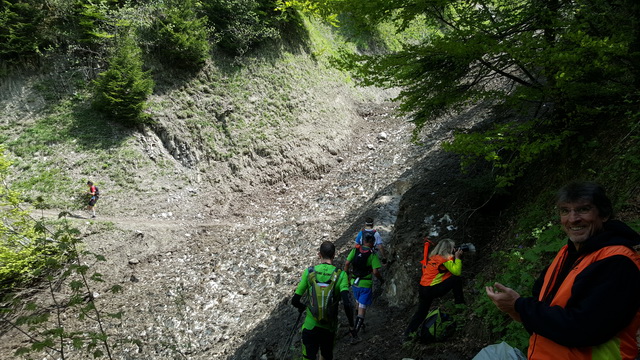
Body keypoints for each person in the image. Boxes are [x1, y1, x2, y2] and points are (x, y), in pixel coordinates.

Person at [486, 181, 640, 359]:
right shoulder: (567, 254)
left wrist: (520, 306)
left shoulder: (618, 262)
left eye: (583, 209)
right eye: (565, 211)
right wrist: (517, 310)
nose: (573, 219)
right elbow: (544, 311)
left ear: (603, 215)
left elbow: (584, 329)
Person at [291, 241, 356, 360]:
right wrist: (351, 325)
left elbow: (294, 301)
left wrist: (304, 307)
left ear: (319, 254)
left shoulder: (309, 272)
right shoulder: (341, 275)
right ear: (334, 255)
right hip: (328, 328)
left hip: (310, 326)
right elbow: (347, 303)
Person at [404, 238, 465, 342]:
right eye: (453, 247)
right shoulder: (445, 259)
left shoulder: (434, 258)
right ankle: (460, 304)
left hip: (423, 288)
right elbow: (457, 271)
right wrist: (458, 258)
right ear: (448, 248)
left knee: (421, 312)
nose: (454, 249)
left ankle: (408, 334)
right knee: (456, 279)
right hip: (432, 289)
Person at [344, 232, 384, 340]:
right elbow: (375, 272)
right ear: (372, 243)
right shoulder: (372, 254)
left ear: (364, 241)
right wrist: (381, 279)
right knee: (362, 308)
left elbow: (347, 263)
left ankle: (359, 325)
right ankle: (355, 335)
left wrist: (346, 275)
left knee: (358, 303)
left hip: (354, 283)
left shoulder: (355, 250)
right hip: (365, 284)